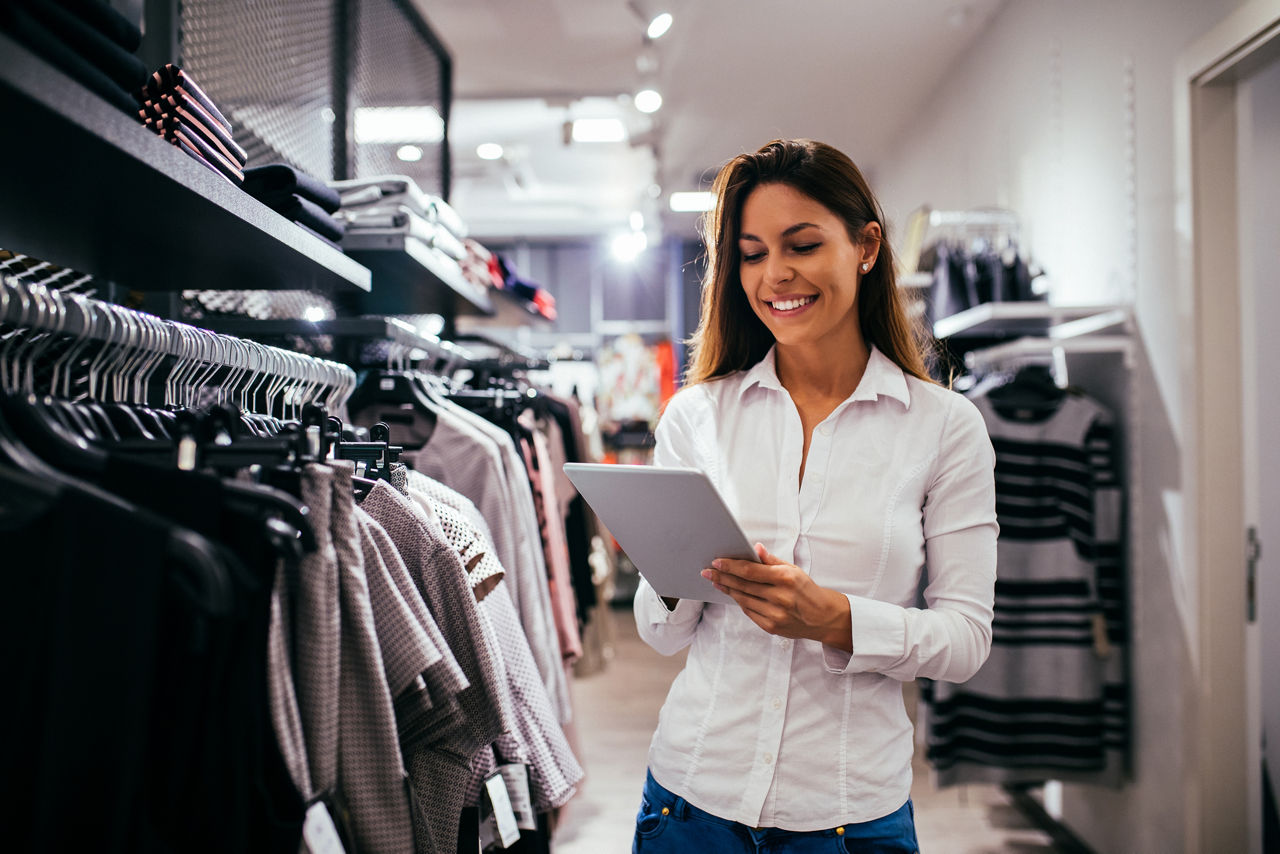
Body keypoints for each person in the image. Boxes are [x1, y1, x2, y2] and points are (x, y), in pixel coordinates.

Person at [632, 139, 998, 853]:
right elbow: (661, 633)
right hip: (689, 802)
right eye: (752, 252)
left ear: (865, 247)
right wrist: (675, 572)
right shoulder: (698, 417)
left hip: (847, 814)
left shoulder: (944, 429)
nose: (776, 275)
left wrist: (838, 619)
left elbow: (965, 639)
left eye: (801, 244)